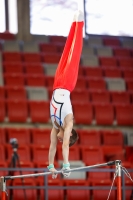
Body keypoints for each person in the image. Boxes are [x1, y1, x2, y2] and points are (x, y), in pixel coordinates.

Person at [47, 10, 84, 179]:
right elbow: (64, 147)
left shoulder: (55, 126)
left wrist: (51, 166)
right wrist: (66, 165)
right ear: (69, 134)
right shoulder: (69, 122)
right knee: (74, 52)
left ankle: (73, 22)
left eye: (61, 139)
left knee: (65, 50)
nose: (61, 140)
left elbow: (53, 147)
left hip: (56, 84)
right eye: (65, 139)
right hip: (68, 83)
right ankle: (80, 22)